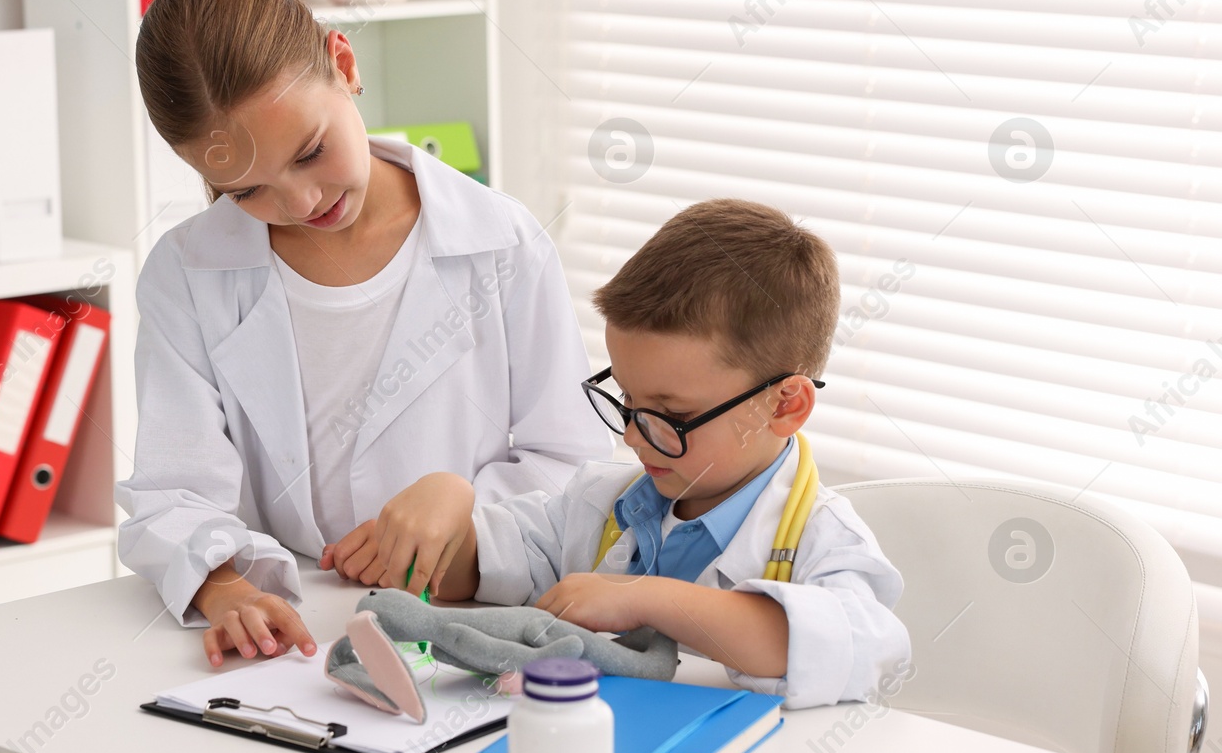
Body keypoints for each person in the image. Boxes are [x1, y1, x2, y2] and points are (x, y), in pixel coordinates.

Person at [115, 0, 610, 668]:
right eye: (249, 188)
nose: (300, 201)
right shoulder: (186, 274)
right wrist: (225, 589)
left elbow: (578, 466)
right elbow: (174, 485)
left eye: (311, 152)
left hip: (466, 619)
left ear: (344, 65)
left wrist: (462, 503)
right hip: (292, 644)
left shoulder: (501, 242)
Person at [327, 198, 911, 707]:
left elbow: (861, 647)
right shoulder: (602, 505)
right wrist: (448, 505)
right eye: (626, 401)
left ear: (784, 406)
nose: (632, 437)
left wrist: (645, 598)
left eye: (672, 417)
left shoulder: (824, 539)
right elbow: (475, 575)